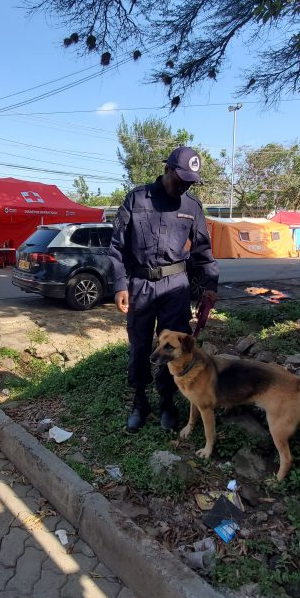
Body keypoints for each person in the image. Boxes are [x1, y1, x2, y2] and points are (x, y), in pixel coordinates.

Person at [108, 146, 219, 431]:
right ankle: (139, 401)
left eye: (190, 182)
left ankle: (167, 402)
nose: (185, 186)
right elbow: (117, 247)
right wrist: (120, 285)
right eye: (181, 179)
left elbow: (203, 251)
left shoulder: (192, 206)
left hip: (176, 288)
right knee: (140, 346)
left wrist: (210, 285)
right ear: (168, 169)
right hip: (141, 285)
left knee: (175, 350)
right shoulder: (137, 198)